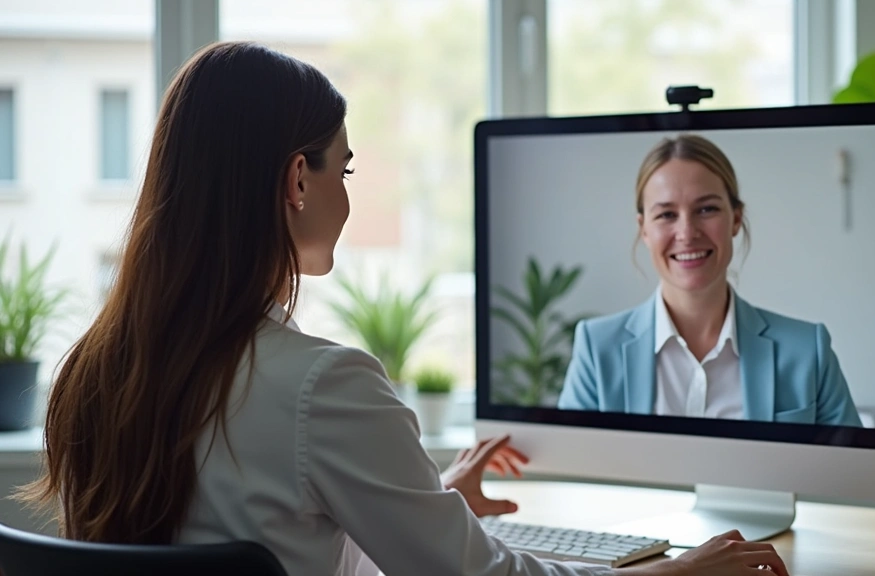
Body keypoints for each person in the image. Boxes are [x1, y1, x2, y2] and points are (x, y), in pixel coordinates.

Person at [14, 42, 789, 576]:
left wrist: (432, 501)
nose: (348, 195)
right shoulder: (324, 386)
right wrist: (676, 572)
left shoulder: (93, 372)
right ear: (297, 181)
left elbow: (271, 527)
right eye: (343, 168)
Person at [557, 134, 862, 428]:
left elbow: (855, 472)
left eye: (706, 209)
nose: (687, 233)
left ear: (736, 219)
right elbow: (569, 467)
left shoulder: (807, 350)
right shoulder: (597, 349)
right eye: (666, 215)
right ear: (644, 230)